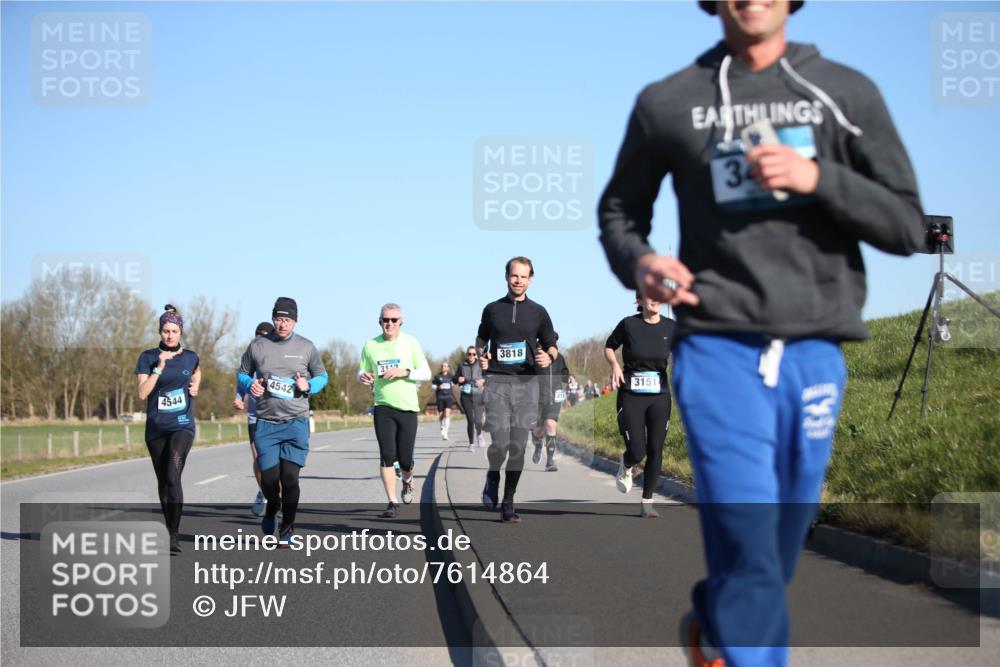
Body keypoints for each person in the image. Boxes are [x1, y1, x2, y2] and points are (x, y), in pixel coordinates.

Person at [598, 2, 925, 664]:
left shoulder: (844, 91)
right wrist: (642, 260)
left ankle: (717, 623)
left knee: (775, 544)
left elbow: (908, 223)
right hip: (718, 349)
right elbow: (619, 210)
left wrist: (819, 178)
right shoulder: (669, 101)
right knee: (750, 545)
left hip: (814, 351)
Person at [237, 297, 328, 546]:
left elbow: (322, 376)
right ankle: (271, 508)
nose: (282, 324)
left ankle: (287, 529)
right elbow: (242, 373)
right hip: (266, 422)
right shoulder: (257, 345)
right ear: (273, 318)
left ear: (295, 321)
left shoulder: (306, 347)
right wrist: (250, 384)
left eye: (287, 320)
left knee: (289, 479)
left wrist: (308, 385)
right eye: (278, 319)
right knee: (268, 479)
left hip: (295, 421)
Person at [476, 256, 558, 523]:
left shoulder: (539, 312)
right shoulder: (492, 309)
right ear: (506, 277)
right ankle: (492, 474)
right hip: (498, 383)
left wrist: (549, 356)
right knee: (499, 444)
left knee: (518, 447)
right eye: (514, 275)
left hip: (526, 386)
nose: (518, 280)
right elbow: (481, 339)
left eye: (523, 276)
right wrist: (481, 355)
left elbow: (550, 342)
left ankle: (508, 502)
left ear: (530, 279)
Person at [605, 292, 677, 518]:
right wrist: (615, 366)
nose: (655, 299)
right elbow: (609, 347)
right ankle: (627, 463)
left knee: (656, 448)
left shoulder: (671, 327)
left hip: (659, 396)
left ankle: (647, 502)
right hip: (631, 395)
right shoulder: (629, 324)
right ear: (639, 301)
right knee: (638, 450)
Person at [135, 305, 200, 554]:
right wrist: (159, 368)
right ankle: (168, 529)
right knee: (163, 481)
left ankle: (173, 535)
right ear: (160, 332)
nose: (170, 335)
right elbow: (142, 393)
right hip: (156, 429)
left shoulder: (190, 356)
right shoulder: (147, 357)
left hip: (182, 426)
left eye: (174, 330)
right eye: (165, 331)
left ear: (180, 331)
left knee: (173, 475)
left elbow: (197, 372)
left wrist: (195, 385)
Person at [359, 303, 432, 519]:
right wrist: (362, 377)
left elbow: (426, 372)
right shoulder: (370, 345)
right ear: (379, 321)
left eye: (393, 320)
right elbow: (362, 370)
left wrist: (405, 372)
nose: (389, 323)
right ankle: (392, 502)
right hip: (383, 406)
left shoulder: (411, 342)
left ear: (401, 321)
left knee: (406, 459)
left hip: (408, 407)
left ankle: (408, 481)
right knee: (387, 456)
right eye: (385, 320)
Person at [233, 321, 275, 517]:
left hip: (276, 413)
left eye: (264, 336)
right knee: (259, 459)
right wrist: (239, 398)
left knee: (276, 462)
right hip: (254, 414)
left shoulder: (277, 353)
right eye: (258, 336)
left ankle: (275, 497)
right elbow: (243, 377)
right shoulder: (251, 354)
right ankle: (264, 492)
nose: (260, 340)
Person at [530, 345, 571, 472]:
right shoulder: (533, 357)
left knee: (551, 425)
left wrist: (569, 378)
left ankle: (550, 461)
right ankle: (537, 443)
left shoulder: (559, 357)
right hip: (536, 398)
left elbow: (564, 373)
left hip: (554, 397)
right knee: (539, 430)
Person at [455, 346, 487, 452]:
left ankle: (479, 435)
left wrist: (482, 381)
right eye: (469, 354)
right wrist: (458, 379)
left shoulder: (481, 364)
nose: (471, 356)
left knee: (478, 420)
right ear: (467, 355)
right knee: (470, 420)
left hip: (478, 394)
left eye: (474, 354)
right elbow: (454, 378)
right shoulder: (462, 365)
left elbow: (489, 377)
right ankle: (471, 444)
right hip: (466, 395)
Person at [430, 361, 457, 440]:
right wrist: (438, 387)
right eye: (442, 366)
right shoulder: (437, 376)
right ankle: (442, 426)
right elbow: (432, 387)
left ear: (448, 368)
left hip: (448, 397)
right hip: (440, 397)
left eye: (445, 366)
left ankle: (445, 433)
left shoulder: (451, 376)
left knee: (447, 414)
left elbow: (455, 382)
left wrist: (454, 383)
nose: (443, 367)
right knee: (441, 415)